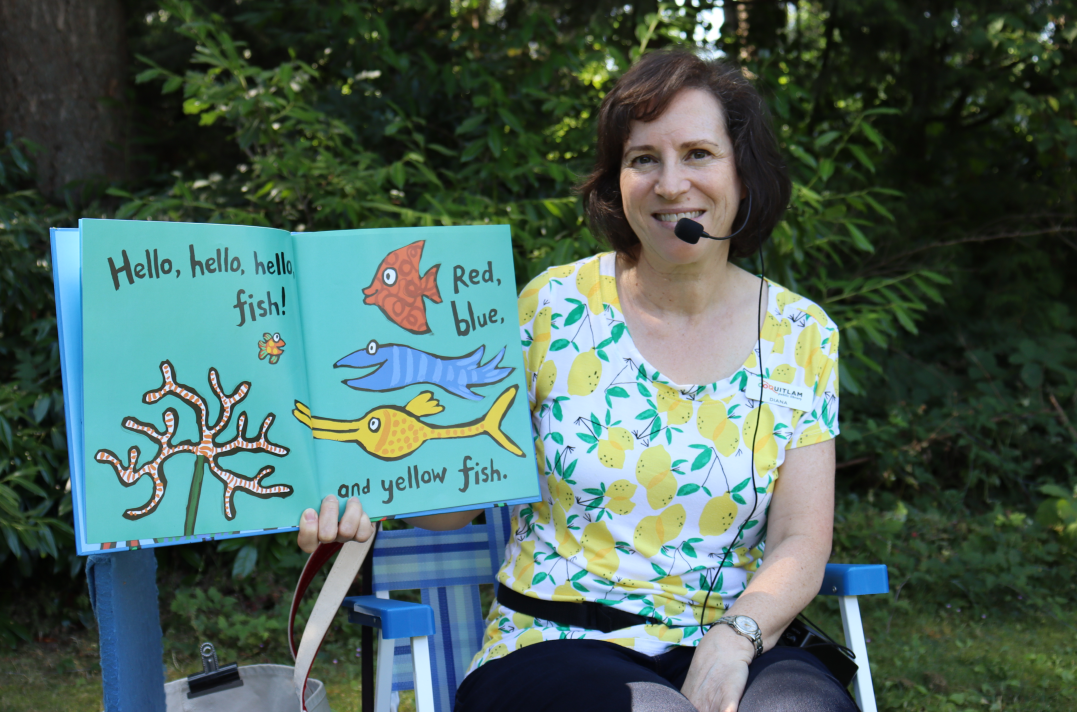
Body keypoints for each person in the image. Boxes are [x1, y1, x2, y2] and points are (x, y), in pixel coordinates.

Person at [299, 50, 853, 712]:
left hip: (734, 642)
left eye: (698, 153)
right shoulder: (552, 307)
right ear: (616, 180)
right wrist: (366, 492)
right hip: (550, 645)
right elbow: (456, 500)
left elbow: (799, 539)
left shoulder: (800, 334)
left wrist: (735, 639)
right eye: (643, 158)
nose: (670, 183)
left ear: (743, 171)